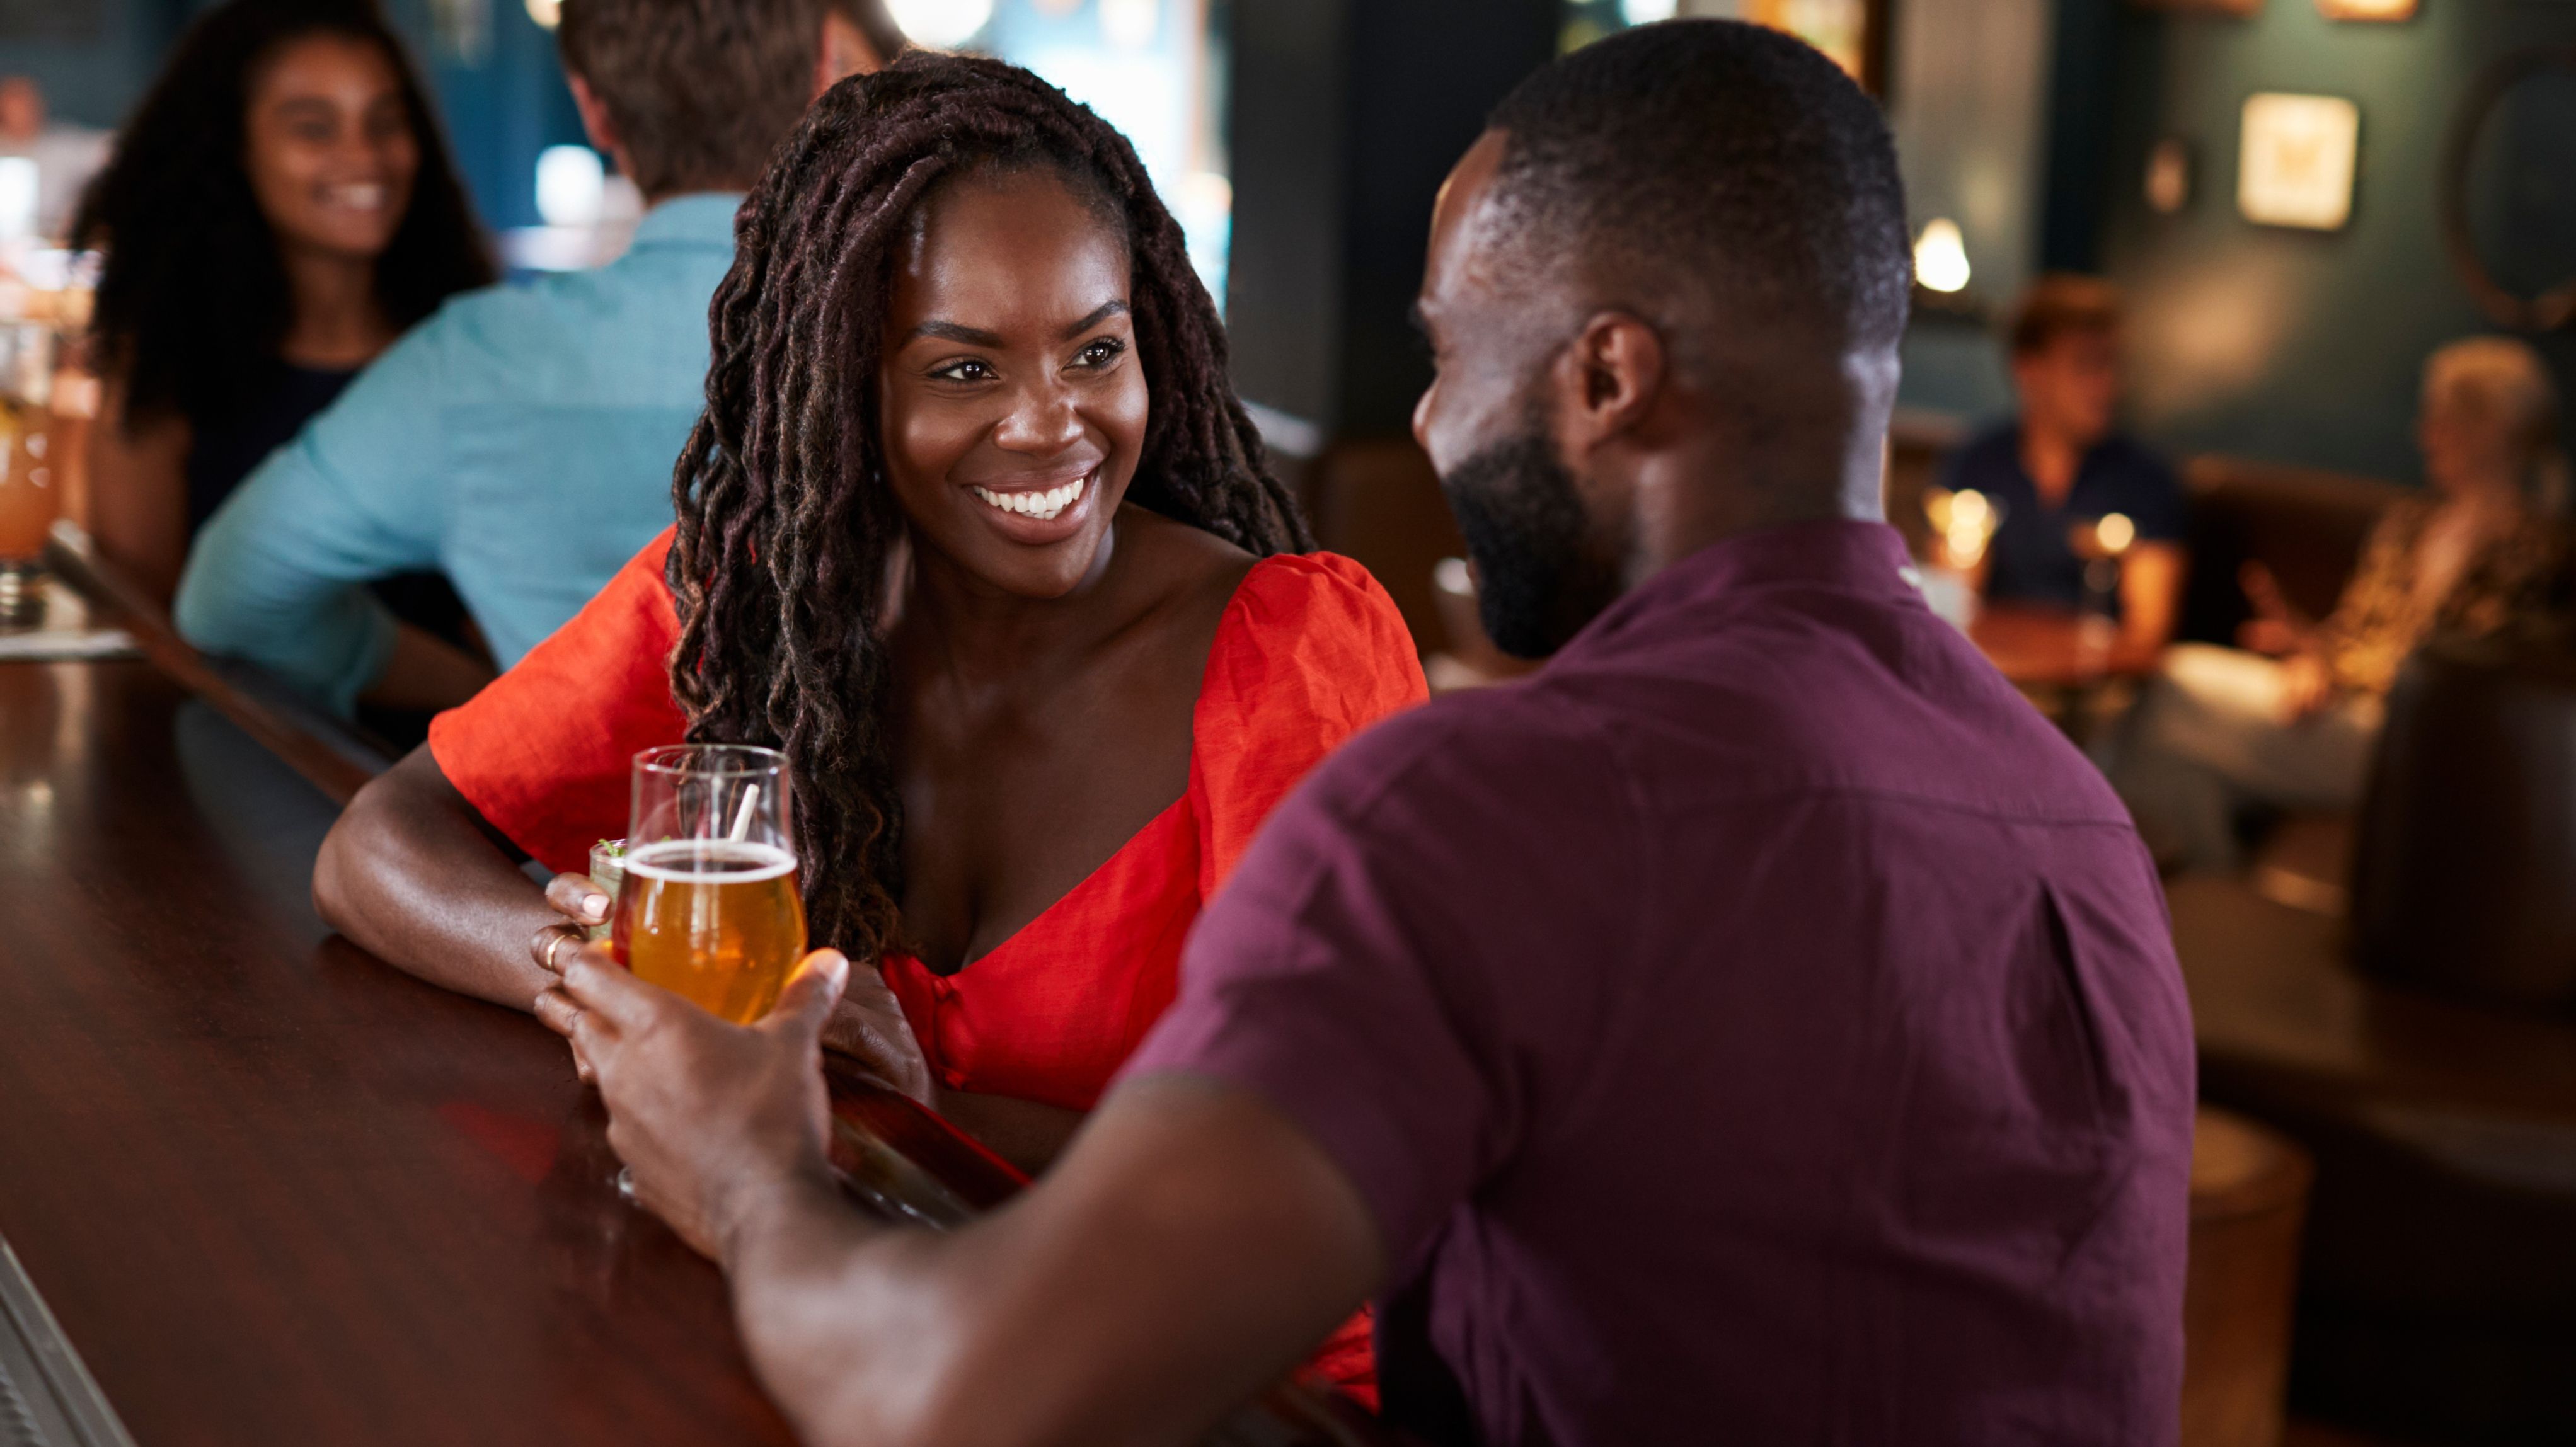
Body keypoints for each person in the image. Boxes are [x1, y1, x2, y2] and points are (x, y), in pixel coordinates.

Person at [533, 23, 2197, 1446]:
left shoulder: (1486, 808)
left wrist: (746, 1163)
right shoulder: (2086, 830)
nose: (1425, 418)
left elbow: (954, 1396)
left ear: (1606, 378)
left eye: (1451, 353)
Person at [311, 54, 1425, 1392]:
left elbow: (1315, 1166)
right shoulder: (751, 603)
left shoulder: (1291, 648)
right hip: (852, 1321)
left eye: (1095, 350)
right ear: (849, 386)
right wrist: (609, 987)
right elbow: (378, 846)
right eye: (963, 367)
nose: (1051, 425)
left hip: (1219, 1382)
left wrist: (854, 1114)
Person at [171, 0, 893, 716]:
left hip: (571, 791)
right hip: (867, 791)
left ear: (592, 108)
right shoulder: (911, 334)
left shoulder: (467, 365)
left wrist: (473, 693)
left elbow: (226, 597)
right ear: (822, 73)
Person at [74, 0, 493, 649]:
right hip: (234, 716)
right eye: (314, 128)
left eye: (386, 122)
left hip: (468, 715)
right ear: (233, 149)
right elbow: (147, 627)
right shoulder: (165, 360)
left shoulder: (467, 342)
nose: (364, 156)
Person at [2115, 336, 2572, 873]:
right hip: (2342, 711)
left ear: (2492, 430)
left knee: (2175, 681)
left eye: (2442, 419)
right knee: (2173, 762)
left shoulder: (2533, 548)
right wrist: (2309, 652)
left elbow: (2457, 671)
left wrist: (2331, 667)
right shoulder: (2410, 523)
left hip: (2417, 739)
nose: (2425, 434)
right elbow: (2354, 632)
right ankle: (2211, 891)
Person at [1943, 275, 2186, 651]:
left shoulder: (2145, 478)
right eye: (2087, 365)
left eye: (2113, 364)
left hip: (2101, 683)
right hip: (1994, 672)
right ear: (2029, 369)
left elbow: (2146, 631)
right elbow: (1954, 601)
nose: (2107, 385)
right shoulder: (1977, 461)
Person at [0, 76, 110, 241]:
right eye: (13, 105)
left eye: (27, 105)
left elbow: (112, 149)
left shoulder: (63, 145)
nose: (21, 112)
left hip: (56, 239)